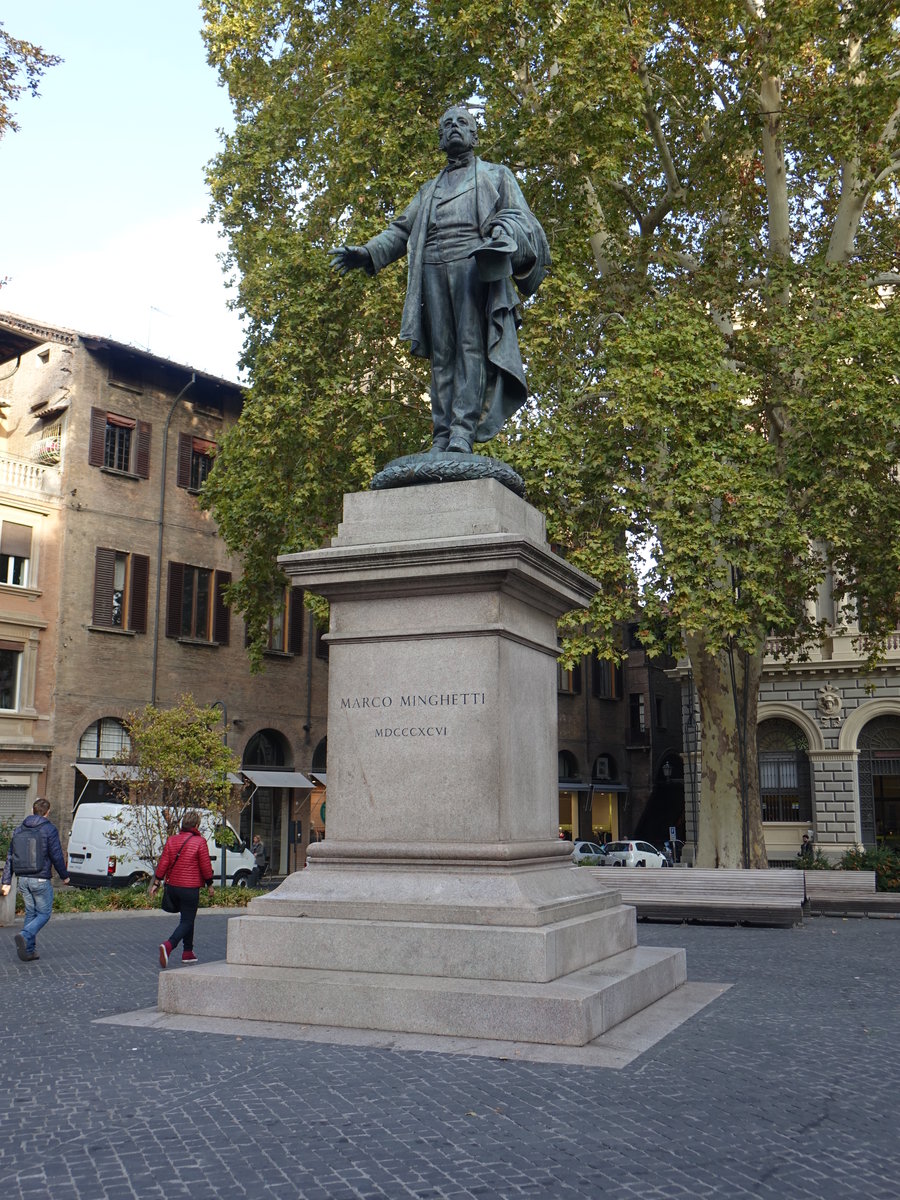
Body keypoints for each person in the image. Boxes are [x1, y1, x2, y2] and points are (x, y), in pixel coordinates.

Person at [330, 105, 550, 455]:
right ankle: (441, 435)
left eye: (461, 122)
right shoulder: (429, 189)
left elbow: (523, 221)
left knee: (469, 347)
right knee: (443, 354)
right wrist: (369, 253)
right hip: (431, 266)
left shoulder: (496, 175)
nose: (453, 128)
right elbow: (401, 230)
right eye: (446, 124)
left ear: (475, 135)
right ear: (439, 139)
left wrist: (503, 232)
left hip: (474, 266)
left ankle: (463, 431)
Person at [1, 797, 70, 962]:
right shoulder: (49, 829)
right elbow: (56, 855)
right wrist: (64, 875)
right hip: (40, 878)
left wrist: (6, 881)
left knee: (31, 913)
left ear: (33, 811)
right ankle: (25, 935)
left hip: (23, 878)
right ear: (47, 813)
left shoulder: (19, 829)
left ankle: (29, 951)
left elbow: (10, 856)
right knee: (44, 913)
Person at [149, 810, 214, 968]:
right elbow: (205, 866)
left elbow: (163, 863)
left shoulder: (172, 840)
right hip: (190, 888)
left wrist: (156, 883)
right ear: (196, 825)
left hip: (172, 887)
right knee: (187, 920)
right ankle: (169, 945)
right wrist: (210, 884)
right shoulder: (200, 842)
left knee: (187, 918)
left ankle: (188, 952)